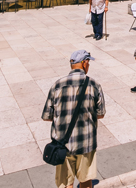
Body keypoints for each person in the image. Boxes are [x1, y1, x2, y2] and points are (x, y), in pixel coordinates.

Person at [41, 50, 106, 188]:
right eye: (88, 62)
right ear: (84, 63)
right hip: (86, 143)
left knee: (66, 183)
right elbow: (100, 114)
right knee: (86, 181)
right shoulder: (94, 85)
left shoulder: (57, 85)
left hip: (63, 144)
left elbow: (47, 116)